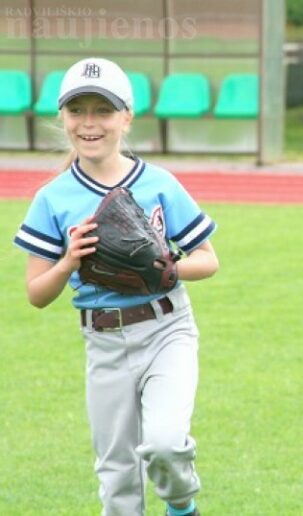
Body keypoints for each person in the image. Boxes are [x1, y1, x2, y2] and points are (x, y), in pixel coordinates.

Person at [13, 57, 218, 516]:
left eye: (103, 110)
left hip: (167, 329)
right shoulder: (53, 199)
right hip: (103, 342)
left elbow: (208, 260)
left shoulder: (160, 184)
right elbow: (36, 293)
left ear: (126, 117)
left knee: (165, 443)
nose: (89, 122)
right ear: (62, 118)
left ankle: (181, 506)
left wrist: (164, 269)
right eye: (77, 109)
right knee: (117, 479)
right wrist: (68, 262)